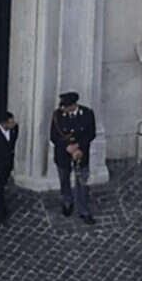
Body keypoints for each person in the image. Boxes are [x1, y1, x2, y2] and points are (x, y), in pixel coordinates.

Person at [49, 91, 98, 222]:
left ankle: (84, 210)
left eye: (66, 106)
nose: (63, 108)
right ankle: (67, 201)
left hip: (81, 154)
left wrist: (79, 147)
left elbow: (91, 133)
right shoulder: (57, 116)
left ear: (73, 105)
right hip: (63, 154)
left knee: (82, 183)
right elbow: (54, 136)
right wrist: (67, 147)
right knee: (64, 179)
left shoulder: (87, 114)